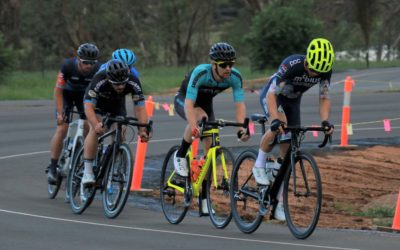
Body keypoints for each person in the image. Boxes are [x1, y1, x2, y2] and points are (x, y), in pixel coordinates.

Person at [253, 38, 335, 221]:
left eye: (318, 72)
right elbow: (272, 94)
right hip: (273, 97)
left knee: (288, 153)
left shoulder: (325, 71)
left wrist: (325, 121)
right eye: (312, 69)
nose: (314, 74)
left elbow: (324, 97)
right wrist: (274, 119)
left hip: (293, 101)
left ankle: (278, 204)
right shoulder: (292, 64)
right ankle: (259, 164)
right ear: (307, 59)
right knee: (280, 126)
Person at [173, 42, 250, 214]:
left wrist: (241, 128)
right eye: (224, 65)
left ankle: (204, 200)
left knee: (211, 155)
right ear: (214, 64)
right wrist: (193, 126)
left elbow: (239, 104)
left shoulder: (235, 77)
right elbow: (189, 103)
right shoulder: (201, 72)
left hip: (206, 105)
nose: (228, 68)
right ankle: (180, 154)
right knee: (199, 116)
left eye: (232, 64)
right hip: (185, 99)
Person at [82, 59, 150, 186]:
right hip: (98, 103)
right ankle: (88, 171)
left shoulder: (133, 81)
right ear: (108, 79)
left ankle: (109, 164)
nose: (120, 87)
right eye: (116, 84)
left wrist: (142, 130)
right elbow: (88, 107)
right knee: (95, 129)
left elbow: (140, 108)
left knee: (121, 131)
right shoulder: (99, 78)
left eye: (123, 83)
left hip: (117, 105)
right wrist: (95, 123)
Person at [47, 43, 101, 184]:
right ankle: (53, 166)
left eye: (92, 63)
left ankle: (82, 156)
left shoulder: (98, 69)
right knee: (62, 127)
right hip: (67, 96)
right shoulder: (68, 66)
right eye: (85, 63)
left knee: (90, 128)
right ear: (78, 59)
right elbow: (58, 91)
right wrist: (60, 113)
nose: (89, 66)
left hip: (84, 98)